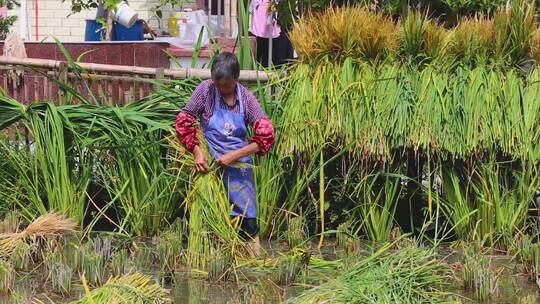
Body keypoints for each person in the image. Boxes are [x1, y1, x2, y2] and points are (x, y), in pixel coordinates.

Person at [175, 52, 275, 256]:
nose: (221, 88)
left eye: (226, 85)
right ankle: (212, 261)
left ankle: (251, 261)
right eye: (217, 83)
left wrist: (234, 156)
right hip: (209, 167)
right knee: (209, 217)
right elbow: (183, 120)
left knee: (246, 218)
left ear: (235, 79)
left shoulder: (246, 98)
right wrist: (197, 152)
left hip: (239, 169)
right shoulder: (205, 90)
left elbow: (267, 135)